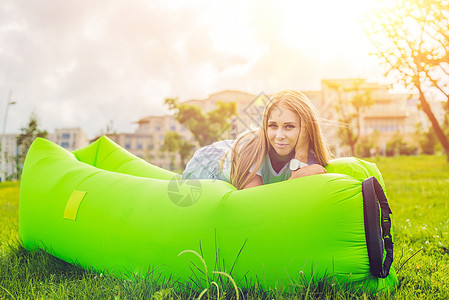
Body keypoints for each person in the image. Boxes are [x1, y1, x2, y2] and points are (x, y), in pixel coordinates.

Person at [182, 89, 331, 189]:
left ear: (305, 130)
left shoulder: (309, 157)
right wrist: (294, 181)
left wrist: (301, 155)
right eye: (273, 126)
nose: (279, 135)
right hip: (209, 167)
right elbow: (254, 204)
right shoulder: (251, 149)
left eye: (289, 127)